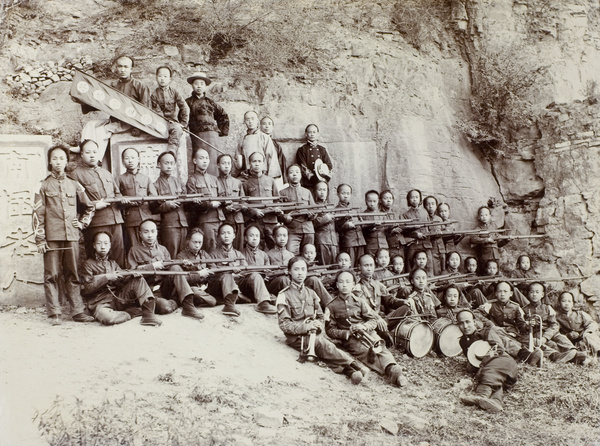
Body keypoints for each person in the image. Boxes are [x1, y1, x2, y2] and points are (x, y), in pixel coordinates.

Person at [275, 257, 365, 384]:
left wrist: (318, 325)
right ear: (289, 271)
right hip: (296, 338)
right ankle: (355, 365)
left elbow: (321, 316)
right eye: (296, 269)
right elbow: (284, 324)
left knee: (322, 348)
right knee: (324, 345)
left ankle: (349, 372)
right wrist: (306, 327)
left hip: (313, 335)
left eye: (303, 269)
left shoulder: (311, 293)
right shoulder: (284, 295)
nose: (300, 273)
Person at [34, 144, 95, 325]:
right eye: (54, 158)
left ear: (67, 161)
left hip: (72, 237)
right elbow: (37, 214)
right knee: (51, 274)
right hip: (52, 237)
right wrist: (40, 239)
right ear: (49, 162)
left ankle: (77, 311)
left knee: (73, 274)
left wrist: (82, 223)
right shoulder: (42, 185)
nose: (58, 162)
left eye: (61, 158)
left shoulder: (75, 184)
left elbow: (89, 207)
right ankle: (55, 313)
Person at [326, 271, 408, 386]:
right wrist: (346, 333)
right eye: (341, 282)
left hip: (367, 332)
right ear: (337, 285)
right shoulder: (331, 306)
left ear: (354, 284)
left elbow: (373, 320)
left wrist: (364, 326)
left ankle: (393, 369)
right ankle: (388, 371)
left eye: (348, 282)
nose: (344, 285)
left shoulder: (360, 302)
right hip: (351, 339)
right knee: (365, 351)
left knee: (381, 347)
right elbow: (330, 330)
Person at [127, 219, 204, 319]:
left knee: (175, 267)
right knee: (165, 307)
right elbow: (132, 274)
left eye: (153, 231)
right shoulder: (134, 250)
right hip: (148, 289)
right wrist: (152, 266)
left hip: (164, 287)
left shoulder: (163, 249)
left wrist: (183, 265)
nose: (150, 235)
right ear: (140, 234)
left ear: (157, 232)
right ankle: (173, 303)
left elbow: (170, 270)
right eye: (146, 232)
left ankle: (188, 305)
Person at [81, 232, 161, 326]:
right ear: (94, 245)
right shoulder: (88, 264)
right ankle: (132, 313)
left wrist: (131, 276)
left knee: (138, 280)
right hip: (100, 303)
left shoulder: (113, 263)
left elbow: (122, 281)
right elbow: (87, 289)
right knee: (108, 318)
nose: (103, 247)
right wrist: (107, 277)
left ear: (110, 245)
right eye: (99, 243)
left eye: (106, 243)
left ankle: (148, 316)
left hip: (117, 299)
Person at [79, 55, 151, 158]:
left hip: (129, 123)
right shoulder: (112, 86)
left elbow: (146, 111)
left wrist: (138, 128)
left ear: (131, 69)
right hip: (114, 121)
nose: (122, 70)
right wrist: (83, 100)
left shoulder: (140, 86)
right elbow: (100, 103)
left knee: (101, 131)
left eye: (126, 67)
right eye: (120, 66)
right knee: (90, 125)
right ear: (116, 68)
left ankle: (96, 159)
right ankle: (83, 148)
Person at [69, 139, 126, 267]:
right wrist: (94, 205)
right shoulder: (75, 175)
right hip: (96, 222)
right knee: (96, 260)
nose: (92, 155)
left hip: (116, 220)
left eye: (95, 152)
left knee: (118, 255)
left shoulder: (106, 173)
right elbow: (73, 202)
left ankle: (119, 286)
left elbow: (117, 193)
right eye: (88, 152)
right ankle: (100, 286)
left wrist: (121, 200)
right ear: (81, 155)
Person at [457, 309, 519, 414]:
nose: (465, 326)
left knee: (489, 373)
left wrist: (483, 363)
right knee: (495, 382)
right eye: (461, 323)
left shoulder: (486, 332)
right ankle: (496, 402)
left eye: (468, 322)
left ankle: (480, 396)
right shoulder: (462, 341)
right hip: (495, 372)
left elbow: (498, 349)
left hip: (503, 361)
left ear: (474, 322)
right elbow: (472, 361)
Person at [209, 223, 276, 315]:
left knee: (255, 275)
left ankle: (263, 303)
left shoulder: (238, 254)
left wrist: (238, 275)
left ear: (233, 236)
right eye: (223, 233)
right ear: (219, 236)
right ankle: (229, 305)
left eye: (229, 233)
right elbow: (212, 273)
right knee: (226, 275)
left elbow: (245, 271)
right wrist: (230, 273)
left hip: (238, 284)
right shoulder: (212, 255)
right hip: (220, 286)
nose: (226, 236)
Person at [520, 283, 583, 364]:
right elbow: (521, 326)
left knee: (561, 337)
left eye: (537, 292)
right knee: (539, 344)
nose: (534, 294)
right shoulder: (523, 310)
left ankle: (573, 351)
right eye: (532, 292)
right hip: (535, 334)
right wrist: (528, 324)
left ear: (542, 294)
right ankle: (557, 356)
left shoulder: (547, 308)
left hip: (549, 332)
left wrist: (546, 337)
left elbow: (555, 325)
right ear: (528, 294)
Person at [186, 71, 229, 175]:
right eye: (196, 84)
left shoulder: (211, 102)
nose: (199, 86)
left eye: (201, 84)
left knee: (213, 159)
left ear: (205, 86)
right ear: (192, 85)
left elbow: (223, 115)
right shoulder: (187, 102)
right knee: (199, 158)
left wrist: (220, 132)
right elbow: (183, 117)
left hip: (212, 136)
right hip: (197, 136)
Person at [116, 147, 158, 249]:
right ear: (123, 161)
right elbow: (116, 196)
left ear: (138, 159)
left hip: (146, 218)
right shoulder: (119, 179)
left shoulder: (146, 179)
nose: (130, 160)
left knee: (150, 246)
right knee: (133, 247)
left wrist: (143, 199)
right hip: (130, 219)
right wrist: (126, 200)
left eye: (133, 157)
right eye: (127, 158)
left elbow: (154, 196)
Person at [186, 148, 224, 253]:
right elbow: (192, 202)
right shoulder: (192, 179)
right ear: (194, 161)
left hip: (220, 218)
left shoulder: (214, 179)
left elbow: (222, 195)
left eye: (207, 158)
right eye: (201, 158)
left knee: (221, 248)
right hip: (206, 220)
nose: (205, 161)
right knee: (210, 248)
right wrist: (209, 204)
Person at [153, 151, 189, 258]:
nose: (169, 166)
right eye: (166, 163)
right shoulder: (155, 185)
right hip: (169, 225)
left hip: (183, 224)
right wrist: (168, 205)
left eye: (172, 163)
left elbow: (186, 203)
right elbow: (153, 208)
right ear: (159, 165)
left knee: (184, 255)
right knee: (171, 255)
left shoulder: (179, 183)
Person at [242, 151, 281, 249]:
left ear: (263, 163)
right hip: (255, 222)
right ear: (249, 164)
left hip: (271, 221)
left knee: (273, 247)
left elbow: (277, 200)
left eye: (259, 161)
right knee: (256, 247)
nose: (257, 163)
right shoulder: (246, 184)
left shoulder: (271, 181)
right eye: (254, 161)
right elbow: (243, 203)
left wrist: (276, 209)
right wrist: (253, 211)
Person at [150, 66, 189, 153]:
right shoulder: (154, 95)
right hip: (160, 122)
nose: (162, 79)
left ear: (170, 79)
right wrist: (164, 121)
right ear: (156, 77)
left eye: (165, 76)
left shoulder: (174, 92)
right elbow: (157, 112)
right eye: (160, 76)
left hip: (173, 123)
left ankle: (172, 152)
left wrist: (183, 124)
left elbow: (184, 107)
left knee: (177, 129)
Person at [279, 164, 316, 255]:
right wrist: (285, 217)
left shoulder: (307, 192)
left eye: (297, 172)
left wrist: (313, 215)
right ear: (287, 176)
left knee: (309, 254)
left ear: (301, 175)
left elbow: (315, 209)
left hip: (308, 229)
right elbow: (278, 213)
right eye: (291, 172)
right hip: (292, 230)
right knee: (292, 255)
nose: (294, 174)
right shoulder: (282, 193)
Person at [175, 228, 217, 307]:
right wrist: (199, 273)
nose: (197, 245)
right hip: (191, 288)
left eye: (200, 242)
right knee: (211, 301)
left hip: (205, 286)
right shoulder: (181, 256)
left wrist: (207, 272)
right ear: (188, 241)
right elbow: (183, 278)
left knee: (213, 298)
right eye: (195, 242)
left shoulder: (204, 254)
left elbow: (213, 268)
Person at [236, 111, 281, 182]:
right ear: (244, 122)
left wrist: (270, 178)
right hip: (247, 175)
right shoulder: (242, 139)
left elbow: (271, 158)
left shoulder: (265, 137)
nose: (250, 121)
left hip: (262, 174)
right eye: (247, 119)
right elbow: (238, 160)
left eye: (252, 118)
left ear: (257, 121)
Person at [215, 154, 246, 250]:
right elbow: (214, 203)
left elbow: (243, 201)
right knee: (223, 248)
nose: (226, 166)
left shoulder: (237, 182)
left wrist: (239, 206)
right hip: (224, 220)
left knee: (239, 248)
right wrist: (225, 209)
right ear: (218, 165)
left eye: (229, 163)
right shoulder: (214, 181)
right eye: (223, 163)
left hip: (238, 220)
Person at [556, 291, 600, 357]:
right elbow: (557, 332)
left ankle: (597, 351)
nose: (567, 304)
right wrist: (567, 335)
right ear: (559, 303)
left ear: (573, 303)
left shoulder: (580, 314)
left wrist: (585, 332)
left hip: (584, 338)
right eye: (564, 301)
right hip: (571, 343)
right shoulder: (557, 317)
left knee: (590, 336)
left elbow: (592, 324)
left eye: (569, 301)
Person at [294, 124, 333, 193]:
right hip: (308, 183)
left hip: (322, 182)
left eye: (314, 132)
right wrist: (312, 178)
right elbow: (303, 167)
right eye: (310, 132)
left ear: (317, 134)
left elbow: (329, 165)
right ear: (306, 134)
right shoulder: (302, 149)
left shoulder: (322, 149)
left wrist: (324, 177)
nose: (312, 134)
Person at [335, 184, 366, 267]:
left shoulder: (354, 209)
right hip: (348, 241)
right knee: (350, 265)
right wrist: (345, 224)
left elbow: (361, 223)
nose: (346, 196)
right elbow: (336, 227)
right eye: (343, 193)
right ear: (338, 194)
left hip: (360, 241)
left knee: (360, 264)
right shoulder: (336, 210)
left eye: (348, 193)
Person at [470, 206, 508, 270]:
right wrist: (486, 240)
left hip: (496, 255)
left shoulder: (494, 226)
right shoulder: (478, 229)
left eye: (486, 215)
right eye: (482, 215)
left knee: (496, 273)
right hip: (485, 255)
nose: (484, 217)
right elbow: (473, 238)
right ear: (479, 217)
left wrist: (507, 240)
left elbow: (498, 243)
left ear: (490, 216)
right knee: (484, 272)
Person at [401, 189, 431, 271]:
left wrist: (427, 233)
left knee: (429, 264)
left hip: (425, 243)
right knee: (410, 265)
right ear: (408, 200)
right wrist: (416, 234)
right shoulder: (405, 215)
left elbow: (429, 227)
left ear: (420, 199)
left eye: (417, 197)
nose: (414, 199)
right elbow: (405, 231)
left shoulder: (425, 212)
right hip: (413, 244)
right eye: (412, 197)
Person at [433, 202, 463, 275]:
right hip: (440, 248)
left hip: (451, 248)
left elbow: (455, 241)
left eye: (445, 211)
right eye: (441, 211)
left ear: (449, 212)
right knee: (442, 267)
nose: (443, 213)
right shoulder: (436, 223)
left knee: (453, 264)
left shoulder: (453, 223)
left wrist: (460, 236)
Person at [312, 181, 338, 265]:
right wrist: (325, 219)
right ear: (315, 191)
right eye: (320, 189)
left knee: (334, 264)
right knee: (323, 265)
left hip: (333, 240)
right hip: (321, 239)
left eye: (324, 190)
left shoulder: (332, 206)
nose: (322, 192)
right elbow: (312, 223)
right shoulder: (313, 206)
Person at [260, 116, 288, 187]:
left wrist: (284, 180)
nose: (267, 126)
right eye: (264, 124)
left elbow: (282, 163)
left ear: (272, 127)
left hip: (275, 174)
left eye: (269, 124)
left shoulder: (276, 145)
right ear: (260, 126)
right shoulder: (257, 142)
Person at [362, 190, 388, 256]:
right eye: (370, 201)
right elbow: (362, 230)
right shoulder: (362, 215)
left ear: (378, 201)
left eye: (374, 201)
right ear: (366, 201)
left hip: (383, 245)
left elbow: (387, 230)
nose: (372, 204)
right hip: (370, 246)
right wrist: (371, 227)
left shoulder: (383, 215)